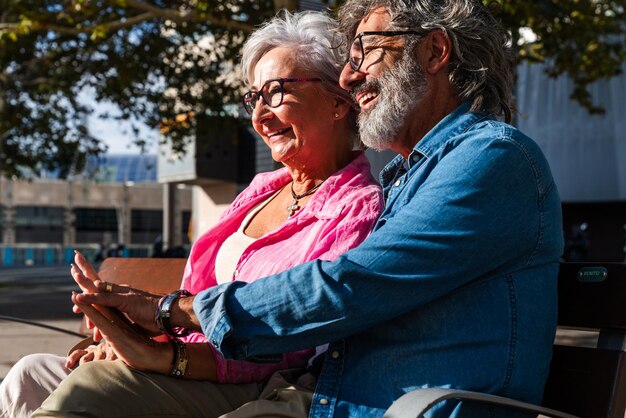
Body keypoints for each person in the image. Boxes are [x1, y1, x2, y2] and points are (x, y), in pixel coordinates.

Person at [35, 0, 565, 417]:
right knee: (42, 379)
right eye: (349, 60)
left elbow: (349, 285)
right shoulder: (413, 174)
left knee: (90, 396)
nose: (352, 77)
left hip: (390, 408)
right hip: (339, 399)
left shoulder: (491, 159)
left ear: (434, 52)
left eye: (366, 53)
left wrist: (170, 312)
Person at [0, 11, 384, 418]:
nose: (259, 116)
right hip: (182, 366)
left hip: (250, 385)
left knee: (88, 390)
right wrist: (123, 337)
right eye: (253, 98)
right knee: (28, 374)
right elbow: (188, 304)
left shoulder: (355, 209)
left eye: (276, 92)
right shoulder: (260, 190)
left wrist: (162, 356)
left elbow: (296, 344)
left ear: (338, 102)